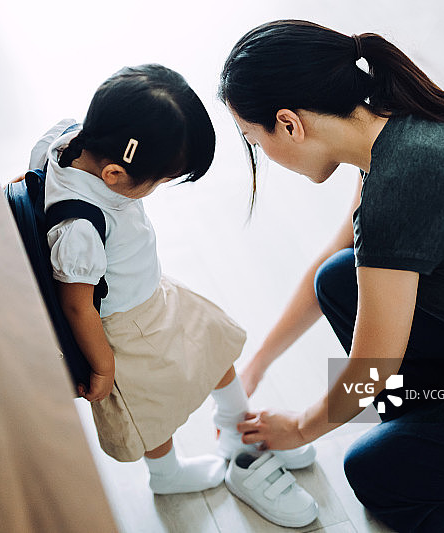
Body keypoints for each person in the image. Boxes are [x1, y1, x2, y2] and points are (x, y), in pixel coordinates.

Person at [218, 19, 444, 533]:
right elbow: (343, 253)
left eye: (254, 141)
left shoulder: (398, 189)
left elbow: (370, 369)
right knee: (339, 278)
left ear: (288, 123)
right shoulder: (399, 122)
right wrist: (258, 364)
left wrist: (299, 429)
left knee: (374, 473)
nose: (264, 154)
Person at [31, 64, 312, 502]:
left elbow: (25, 182)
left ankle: (237, 425)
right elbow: (76, 306)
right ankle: (166, 473)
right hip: (123, 327)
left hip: (152, 293)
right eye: (160, 181)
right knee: (152, 409)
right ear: (114, 176)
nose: (160, 187)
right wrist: (103, 366)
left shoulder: (66, 135)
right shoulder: (78, 232)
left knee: (213, 340)